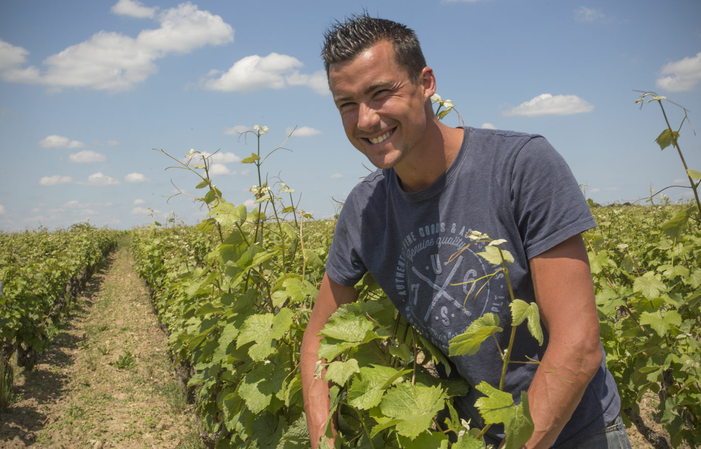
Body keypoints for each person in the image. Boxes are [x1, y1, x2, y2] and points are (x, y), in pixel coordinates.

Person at [301, 14, 630, 449]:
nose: (365, 119)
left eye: (381, 93)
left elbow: (579, 343)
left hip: (574, 431)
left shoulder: (521, 165)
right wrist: (323, 440)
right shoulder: (364, 211)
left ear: (426, 83)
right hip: (471, 437)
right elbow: (316, 343)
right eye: (347, 103)